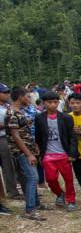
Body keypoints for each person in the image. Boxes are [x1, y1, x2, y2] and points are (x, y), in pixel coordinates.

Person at [5, 86, 47, 221]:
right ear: (20, 97)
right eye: (28, 96)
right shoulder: (12, 113)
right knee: (33, 177)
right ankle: (29, 210)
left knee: (32, 176)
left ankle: (36, 203)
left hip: (28, 148)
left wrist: (33, 145)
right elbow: (16, 137)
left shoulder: (20, 112)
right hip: (22, 152)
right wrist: (28, 154)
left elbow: (24, 132)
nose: (30, 99)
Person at [34, 92, 79, 211]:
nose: (53, 105)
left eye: (55, 102)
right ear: (44, 104)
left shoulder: (66, 117)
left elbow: (72, 136)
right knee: (50, 179)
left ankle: (71, 200)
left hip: (63, 153)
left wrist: (72, 153)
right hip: (48, 154)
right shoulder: (39, 118)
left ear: (58, 103)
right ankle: (59, 194)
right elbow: (38, 136)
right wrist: (38, 153)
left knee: (68, 178)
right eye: (49, 102)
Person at [0, 83, 21, 199]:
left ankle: (22, 189)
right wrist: (9, 125)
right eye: (4, 93)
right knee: (8, 165)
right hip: (2, 138)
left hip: (13, 137)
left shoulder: (8, 107)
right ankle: (12, 192)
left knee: (18, 163)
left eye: (8, 92)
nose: (7, 95)